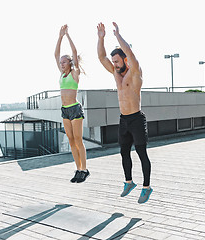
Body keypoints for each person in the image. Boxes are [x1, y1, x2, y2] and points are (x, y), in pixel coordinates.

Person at [97, 22, 152, 204]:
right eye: (113, 62)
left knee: (141, 153)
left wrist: (118, 36)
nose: (114, 65)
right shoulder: (115, 73)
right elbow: (101, 57)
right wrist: (101, 38)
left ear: (125, 60)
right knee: (123, 152)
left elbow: (130, 53)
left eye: (117, 61)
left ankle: (146, 187)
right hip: (123, 119)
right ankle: (129, 182)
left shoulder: (135, 72)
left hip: (136, 118)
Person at [55, 25, 89, 183]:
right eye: (60, 62)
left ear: (70, 63)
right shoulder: (61, 75)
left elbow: (74, 54)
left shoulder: (74, 74)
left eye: (64, 62)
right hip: (65, 110)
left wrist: (67, 35)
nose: (61, 64)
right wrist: (60, 36)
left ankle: (84, 169)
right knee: (70, 140)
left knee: (78, 139)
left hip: (75, 109)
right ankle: (78, 169)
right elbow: (55, 54)